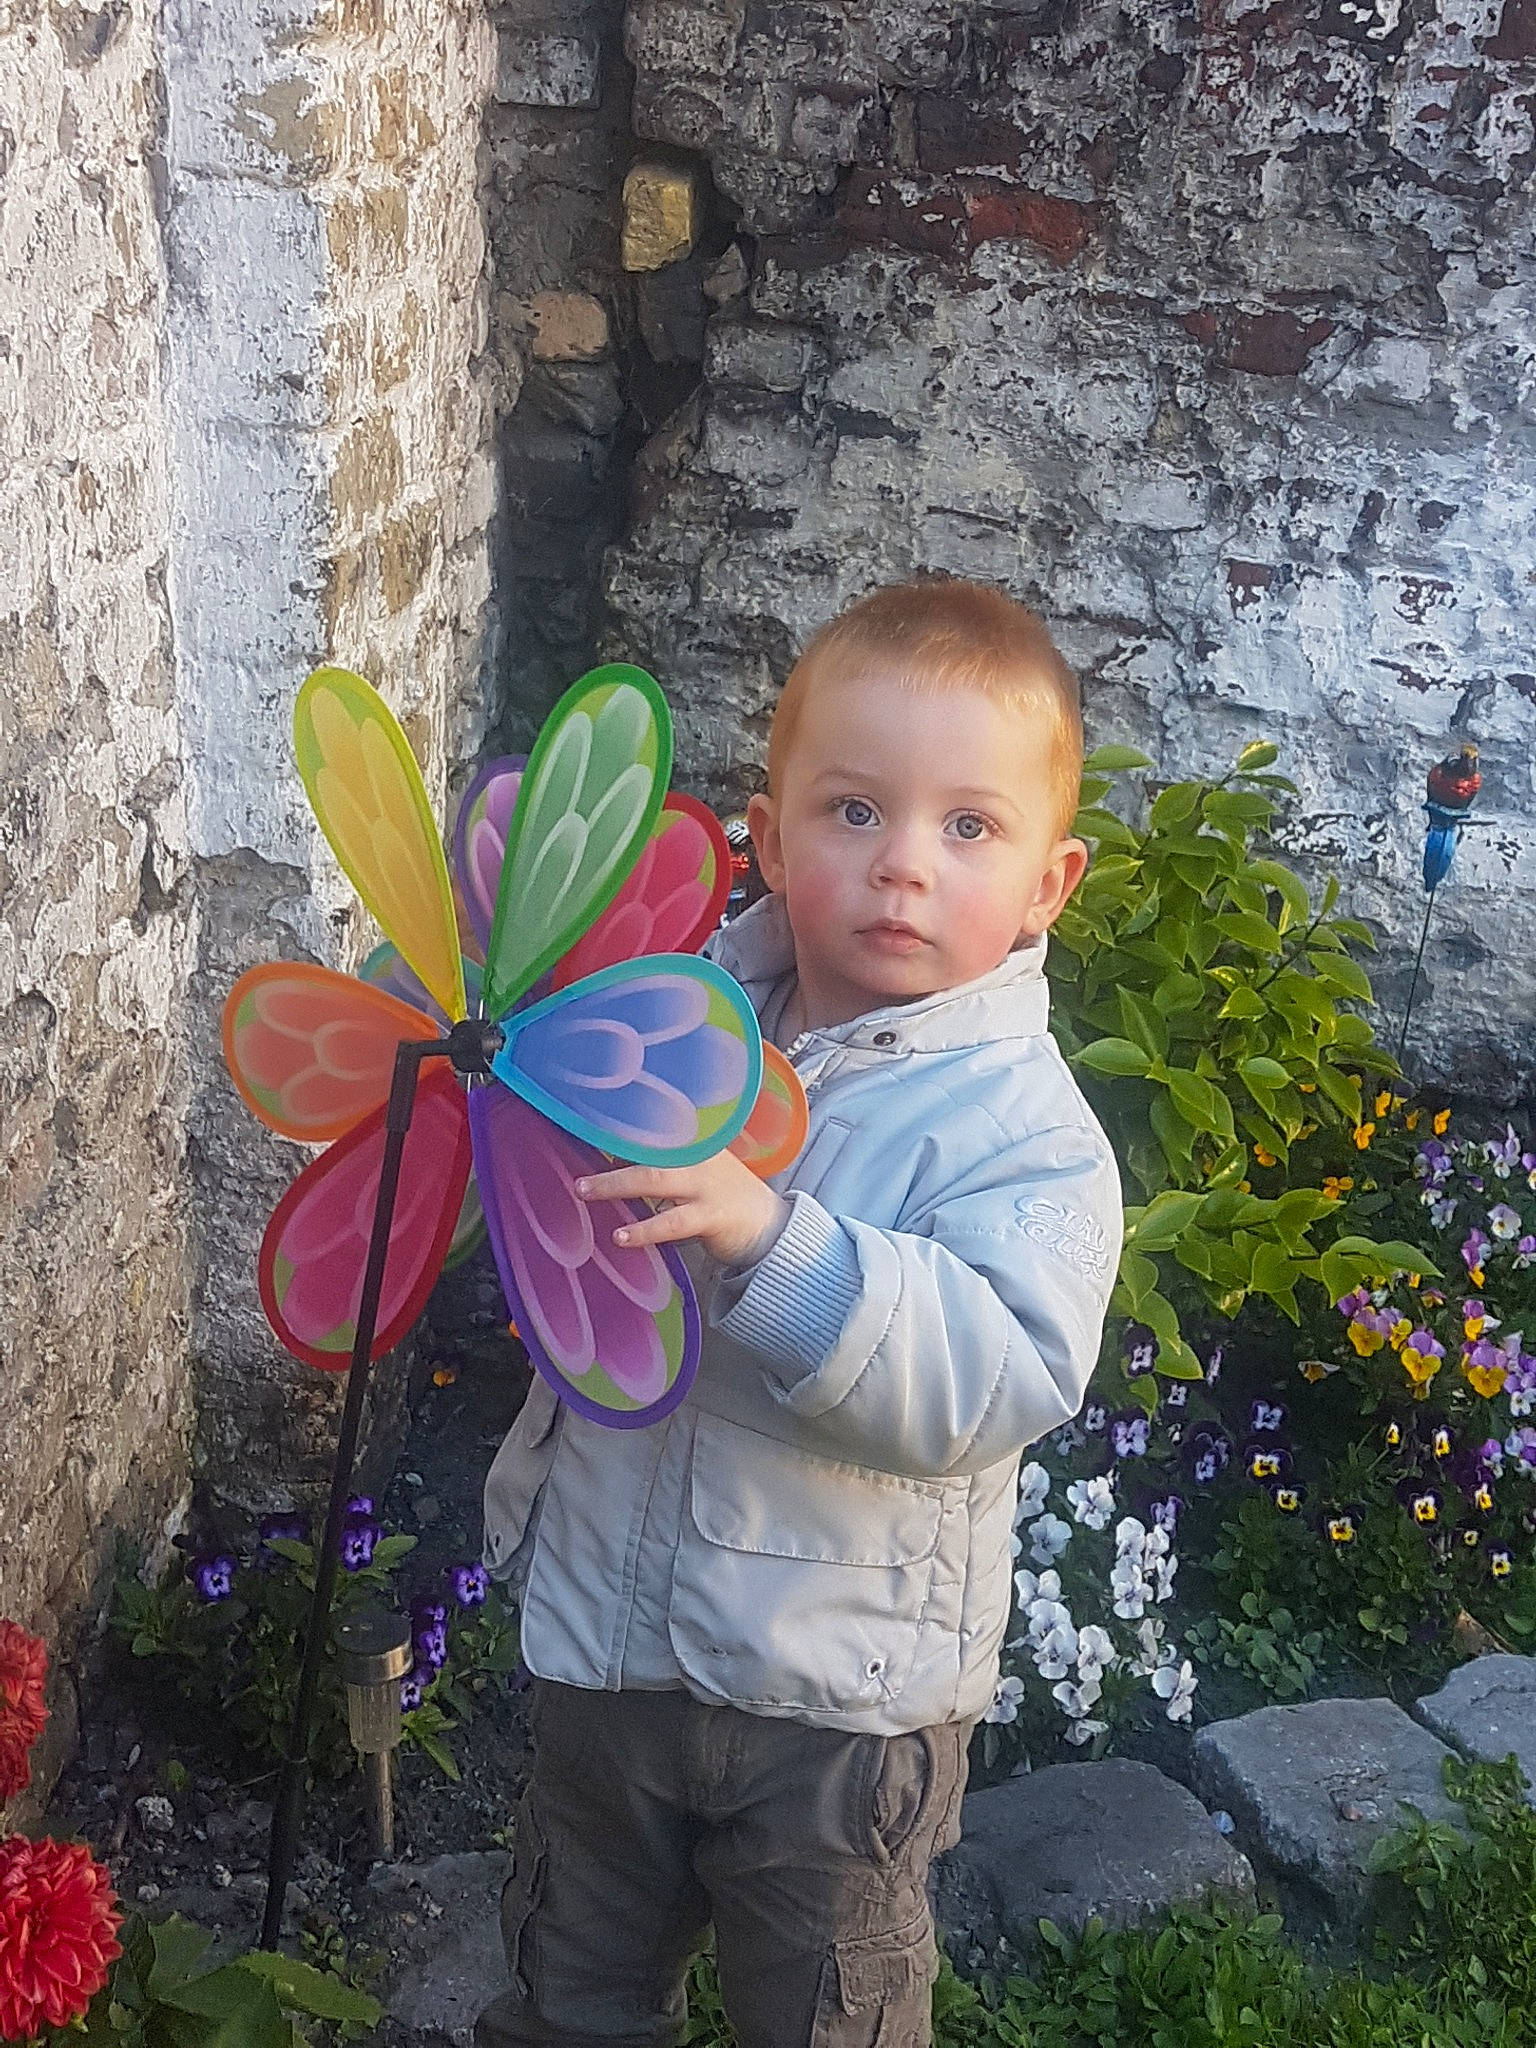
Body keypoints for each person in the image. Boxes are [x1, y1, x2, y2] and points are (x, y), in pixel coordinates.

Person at [476, 577, 1123, 2048]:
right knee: (573, 1989)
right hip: (612, 1657)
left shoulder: (1024, 1132)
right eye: (852, 812)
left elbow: (1000, 1369)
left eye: (968, 827)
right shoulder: (657, 1035)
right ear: (764, 838)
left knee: (825, 2017)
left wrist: (778, 1245)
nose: (904, 866)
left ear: (1047, 884)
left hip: (839, 1713)